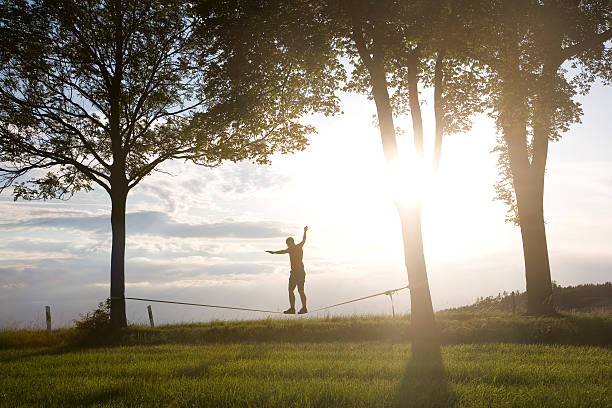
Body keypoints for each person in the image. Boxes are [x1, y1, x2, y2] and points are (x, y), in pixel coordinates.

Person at [266, 226, 308, 314]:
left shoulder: (297, 247)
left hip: (299, 272)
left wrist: (305, 231)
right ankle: (293, 309)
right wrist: (273, 252)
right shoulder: (291, 249)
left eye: (289, 243)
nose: (288, 245)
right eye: (287, 244)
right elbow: (282, 251)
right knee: (291, 290)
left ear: (292, 242)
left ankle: (302, 308)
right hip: (296, 272)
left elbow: (303, 240)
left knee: (300, 290)